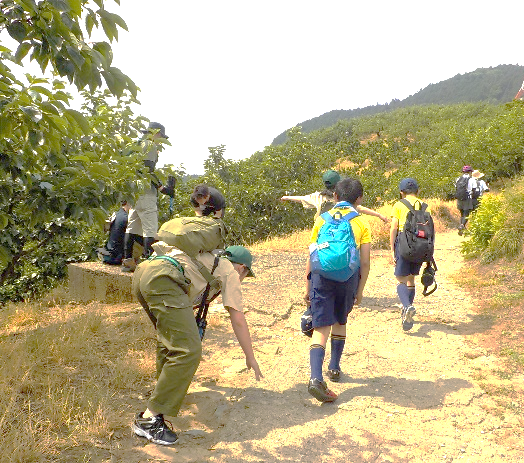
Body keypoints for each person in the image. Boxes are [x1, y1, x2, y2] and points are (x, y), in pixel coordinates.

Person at [132, 241, 263, 445]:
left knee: (170, 342)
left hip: (144, 272)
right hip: (163, 279)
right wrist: (250, 356)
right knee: (189, 351)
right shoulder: (229, 270)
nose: (243, 279)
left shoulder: (206, 259)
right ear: (242, 267)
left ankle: (163, 392)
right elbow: (238, 319)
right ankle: (149, 419)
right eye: (245, 275)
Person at [304, 178, 371, 402]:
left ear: (335, 197)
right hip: (348, 277)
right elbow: (366, 262)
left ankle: (315, 378)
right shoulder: (361, 223)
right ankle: (334, 367)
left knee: (320, 327)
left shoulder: (321, 220)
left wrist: (308, 286)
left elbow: (312, 255)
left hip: (321, 276)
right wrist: (360, 290)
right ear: (359, 198)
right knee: (340, 321)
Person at [122, 122, 173, 272]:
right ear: (156, 134)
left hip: (134, 192)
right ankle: (150, 265)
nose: (160, 140)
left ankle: (127, 261)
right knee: (150, 229)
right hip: (146, 193)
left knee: (131, 227)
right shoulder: (150, 146)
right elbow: (148, 170)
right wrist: (162, 188)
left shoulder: (134, 145)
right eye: (161, 136)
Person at [389, 178, 434, 331]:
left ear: (401, 192)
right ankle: (406, 313)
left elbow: (394, 228)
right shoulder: (424, 205)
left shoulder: (398, 205)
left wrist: (391, 249)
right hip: (420, 244)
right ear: (418, 191)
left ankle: (407, 306)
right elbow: (430, 230)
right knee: (411, 279)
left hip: (404, 243)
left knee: (400, 279)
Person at [281, 169, 389, 223]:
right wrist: (378, 215)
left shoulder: (318, 197)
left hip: (322, 231)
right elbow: (359, 208)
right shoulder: (343, 196)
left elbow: (302, 198)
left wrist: (286, 198)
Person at [455, 165, 479, 235]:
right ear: (470, 172)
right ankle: (462, 225)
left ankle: (461, 229)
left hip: (459, 198)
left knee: (462, 214)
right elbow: (474, 190)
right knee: (466, 214)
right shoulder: (472, 180)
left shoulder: (458, 179)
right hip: (467, 198)